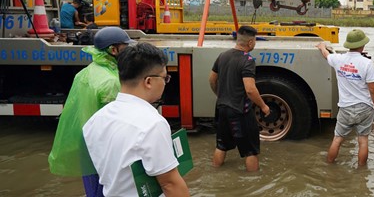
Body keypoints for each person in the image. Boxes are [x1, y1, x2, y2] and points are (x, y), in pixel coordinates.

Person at [83, 43, 189, 197]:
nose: (165, 83)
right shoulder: (152, 124)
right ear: (148, 82)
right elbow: (170, 184)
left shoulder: (95, 120)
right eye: (165, 78)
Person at [48, 27, 135, 197]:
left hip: (86, 143)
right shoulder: (111, 81)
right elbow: (118, 125)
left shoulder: (85, 73)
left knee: (92, 190)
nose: (129, 51)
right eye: (125, 47)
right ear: (113, 50)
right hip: (104, 150)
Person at [316, 29, 374, 166]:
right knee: (363, 141)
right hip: (364, 108)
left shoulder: (338, 59)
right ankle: (361, 172)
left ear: (348, 45)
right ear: (363, 45)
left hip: (345, 108)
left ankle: (329, 167)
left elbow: (326, 54)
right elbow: (373, 90)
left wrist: (322, 46)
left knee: (337, 139)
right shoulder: (367, 63)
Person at [209, 25, 271, 172]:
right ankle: (254, 183)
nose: (255, 44)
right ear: (250, 43)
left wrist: (220, 94)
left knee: (221, 145)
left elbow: (212, 79)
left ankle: (215, 172)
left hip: (222, 108)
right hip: (239, 112)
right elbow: (250, 89)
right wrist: (263, 106)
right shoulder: (247, 60)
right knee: (251, 151)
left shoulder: (223, 55)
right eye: (255, 41)